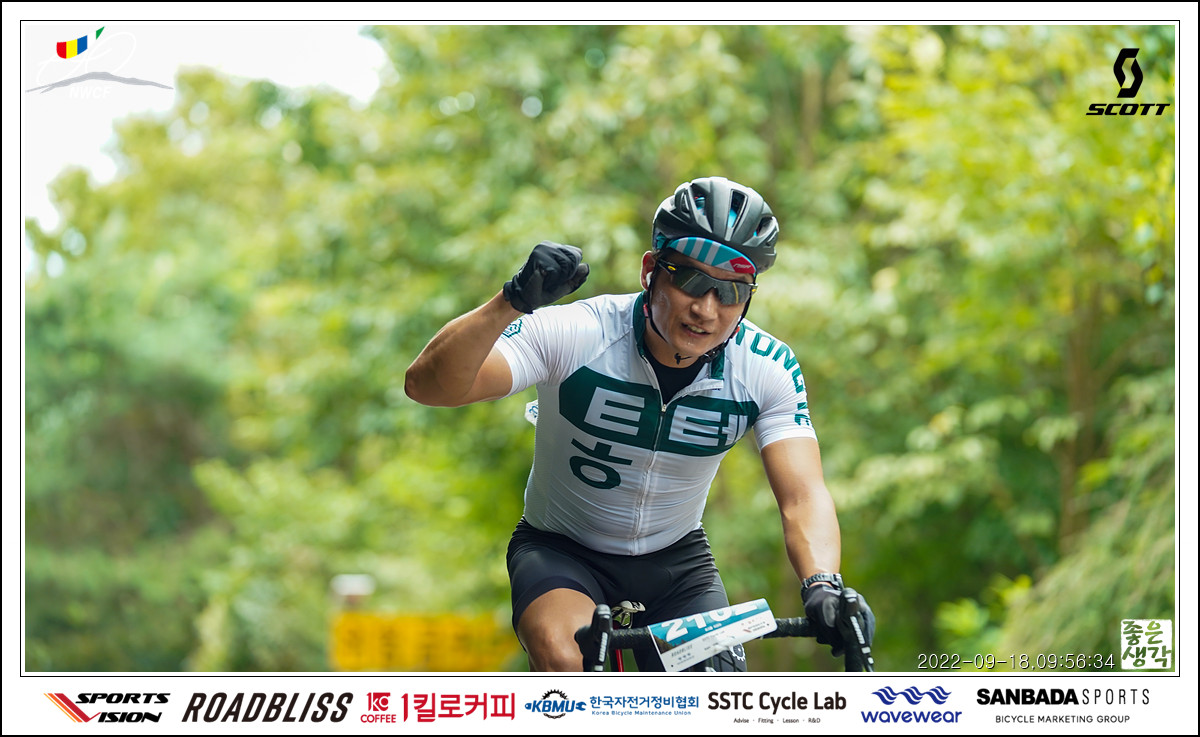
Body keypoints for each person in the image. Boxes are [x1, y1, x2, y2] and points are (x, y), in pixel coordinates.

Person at [405, 176, 873, 671]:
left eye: (731, 291)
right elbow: (428, 386)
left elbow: (803, 495)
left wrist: (823, 583)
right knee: (569, 659)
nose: (705, 308)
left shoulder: (766, 367)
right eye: (690, 280)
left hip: (677, 566)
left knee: (718, 696)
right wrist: (510, 303)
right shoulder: (580, 332)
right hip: (562, 552)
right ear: (651, 271)